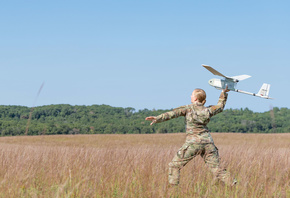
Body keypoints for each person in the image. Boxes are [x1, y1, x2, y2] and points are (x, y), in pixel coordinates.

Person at [145, 86, 237, 186]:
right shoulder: (208, 110)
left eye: (192, 95)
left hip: (193, 143)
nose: (190, 96)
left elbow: (172, 114)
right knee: (217, 169)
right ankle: (233, 184)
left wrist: (157, 118)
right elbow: (220, 106)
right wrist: (224, 92)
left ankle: (173, 190)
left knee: (174, 166)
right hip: (208, 143)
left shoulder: (188, 109)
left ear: (195, 98)